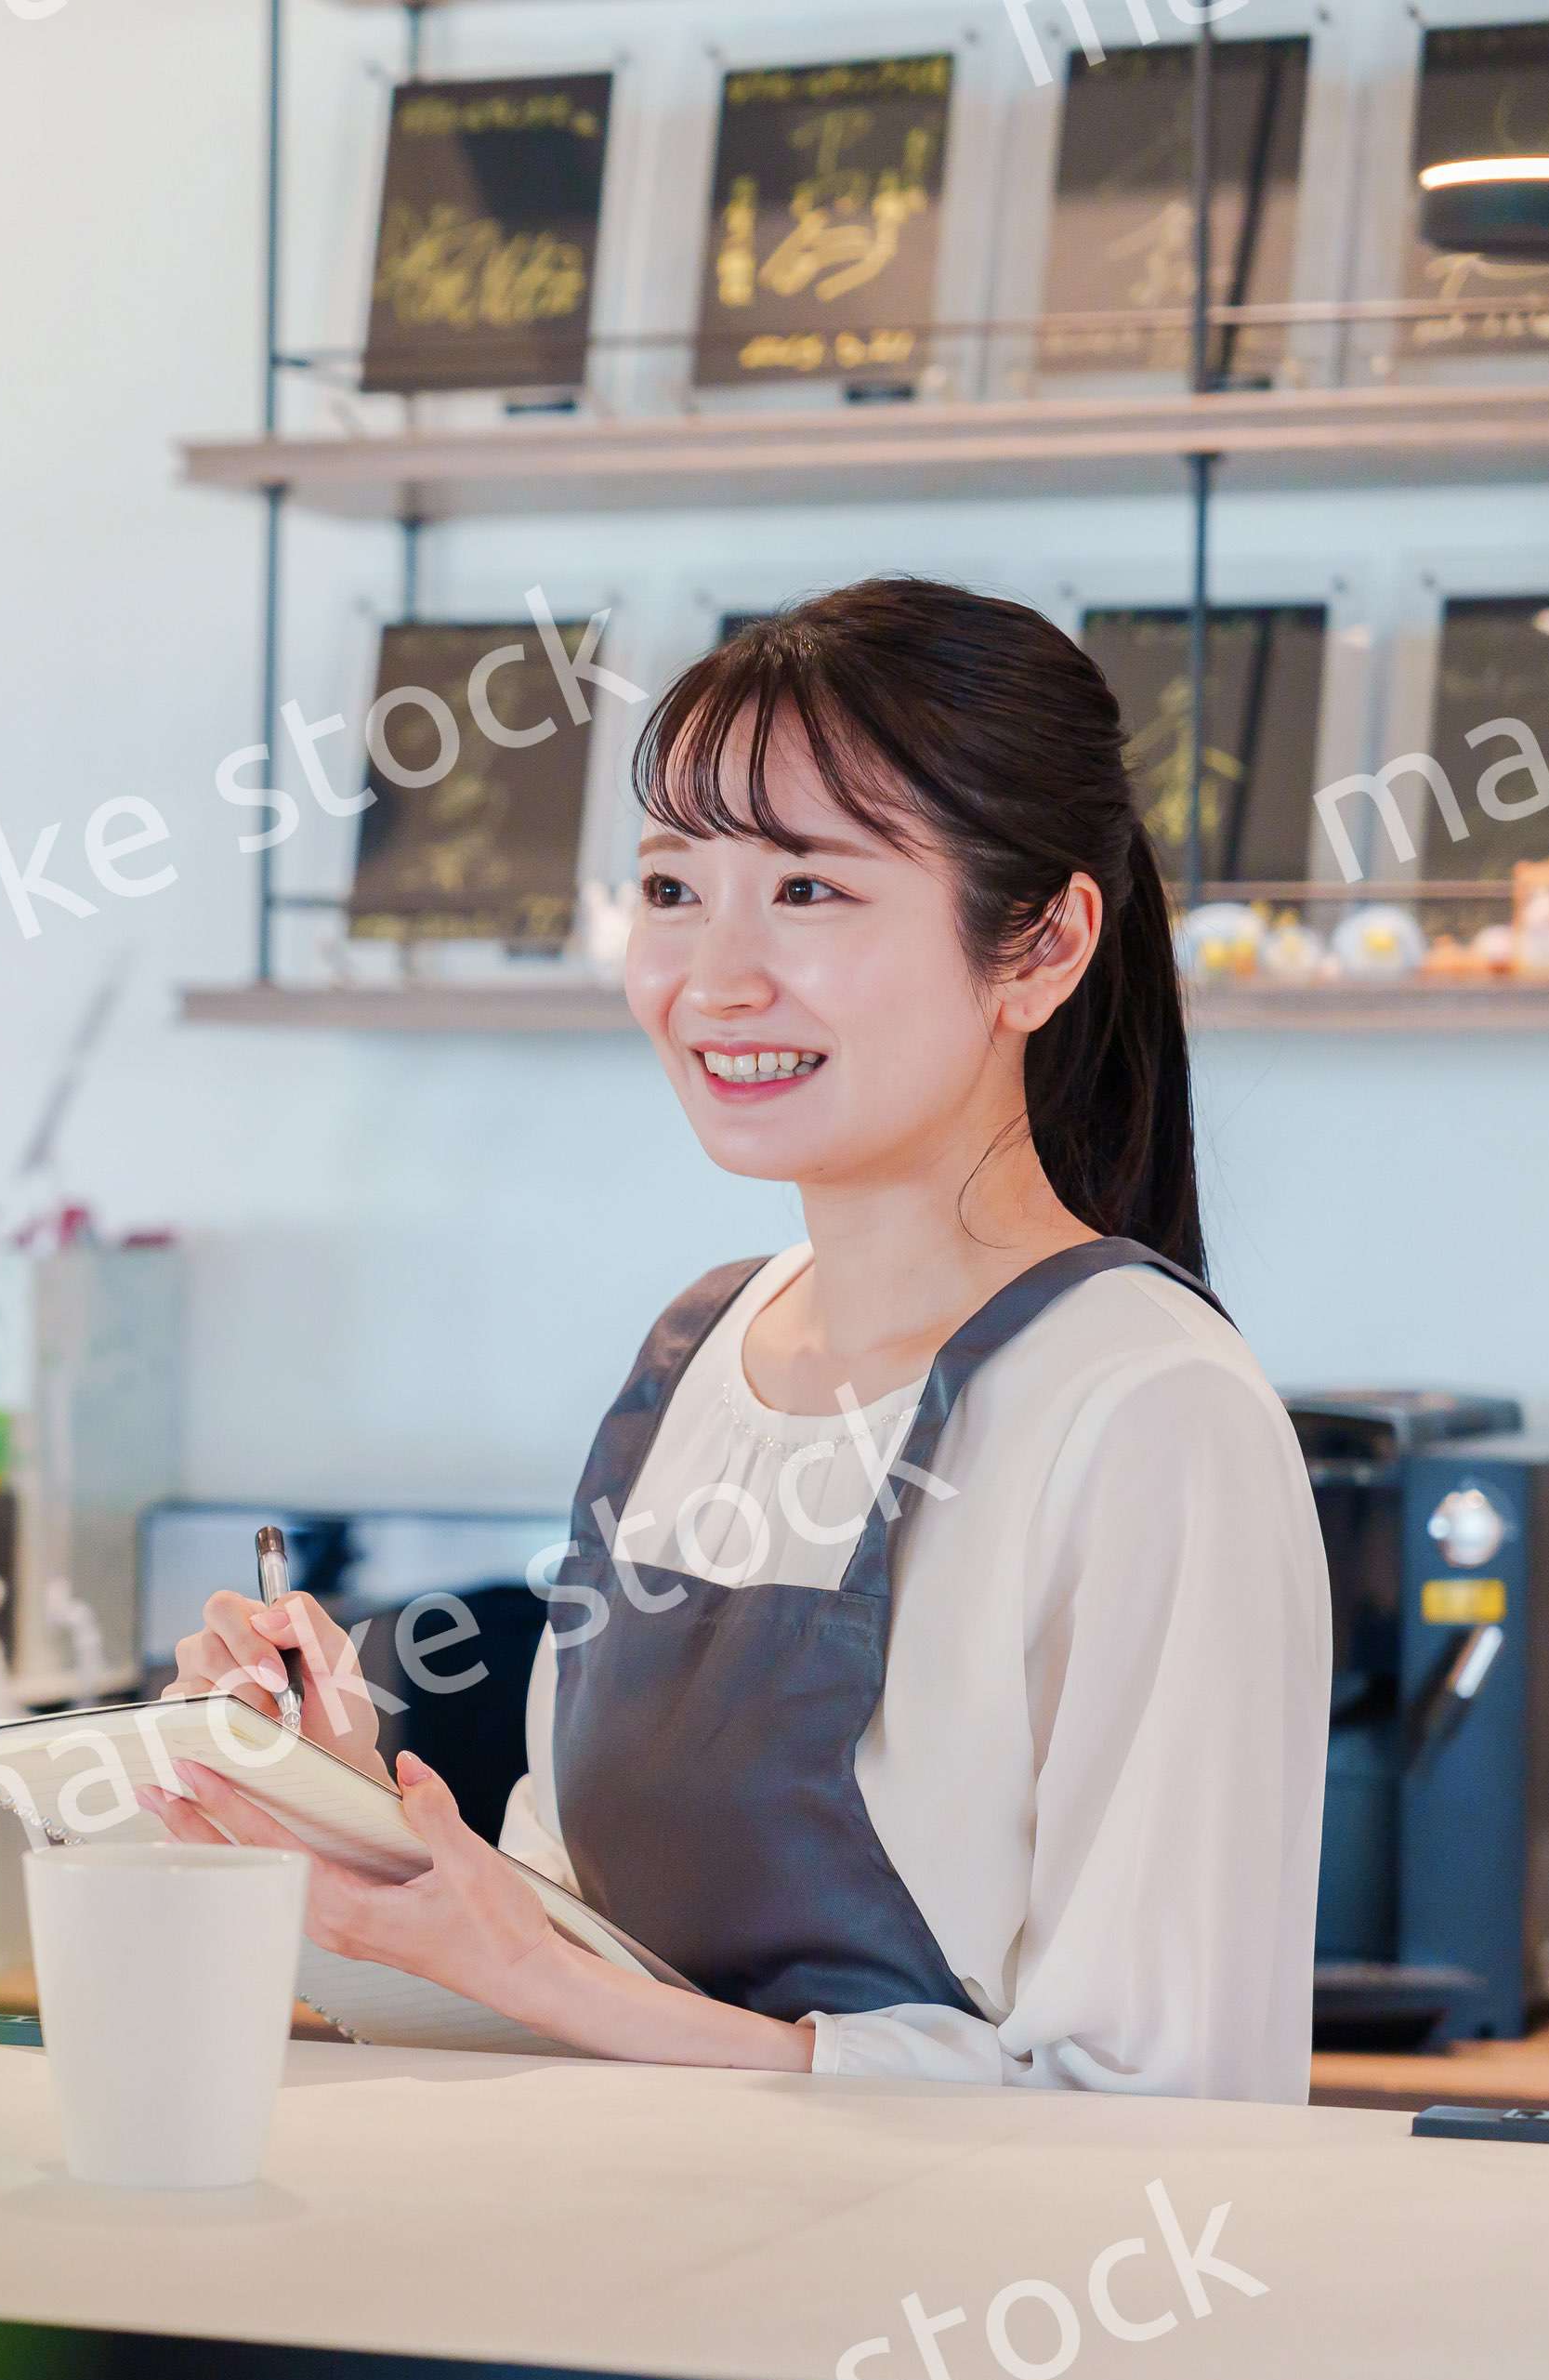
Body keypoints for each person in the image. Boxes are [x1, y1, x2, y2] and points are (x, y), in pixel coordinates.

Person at [153, 579, 1330, 2103]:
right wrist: (343, 1818)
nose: (713, 980)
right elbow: (553, 1989)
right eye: (670, 888)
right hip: (616, 2248)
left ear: (1041, 948)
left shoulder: (1149, 1410)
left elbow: (1170, 2122)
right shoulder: (696, 1358)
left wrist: (539, 1977)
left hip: (947, 2277)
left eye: (810, 890)